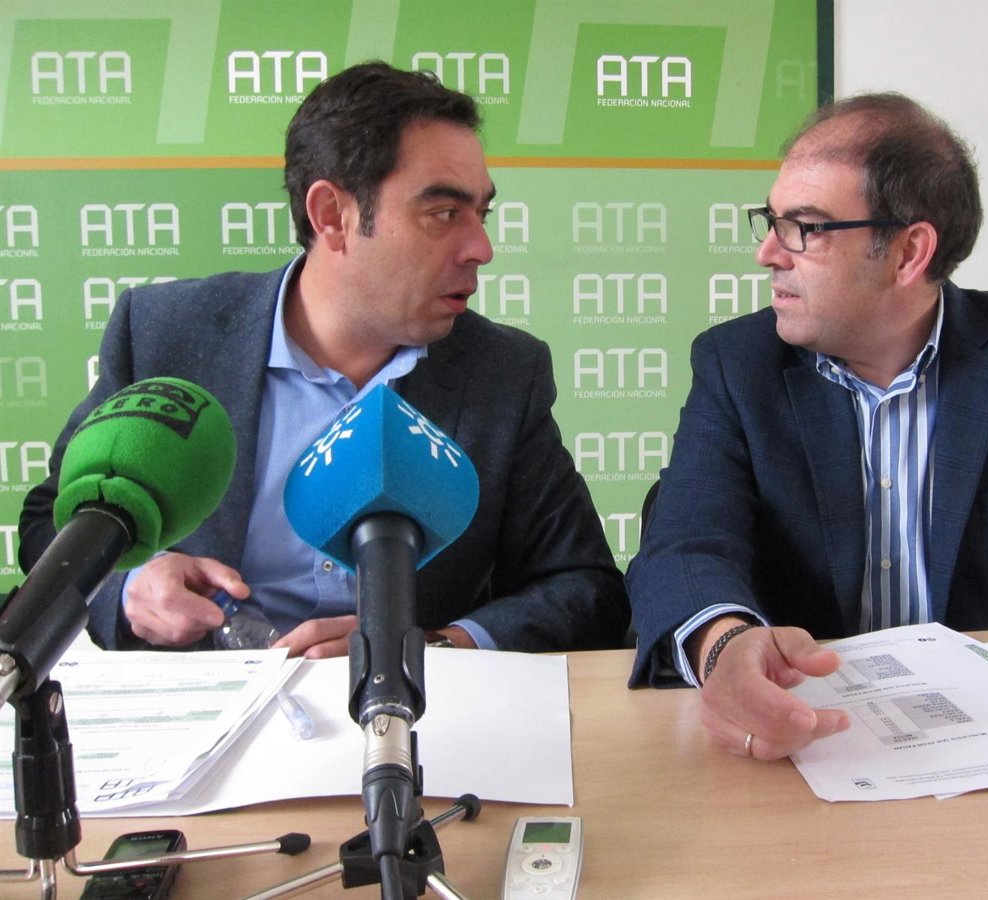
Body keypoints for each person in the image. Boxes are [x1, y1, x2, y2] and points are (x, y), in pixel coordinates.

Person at [625, 91, 988, 761]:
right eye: (771, 220)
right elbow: (686, 542)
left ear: (908, 252)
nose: (768, 253)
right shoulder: (738, 365)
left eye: (804, 227)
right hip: (811, 732)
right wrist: (725, 645)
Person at [19, 62, 628, 657]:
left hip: (408, 707)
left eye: (481, 213)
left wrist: (430, 648)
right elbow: (56, 523)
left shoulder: (504, 371)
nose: (481, 248)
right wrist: (131, 587)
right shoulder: (167, 335)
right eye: (444, 214)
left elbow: (584, 587)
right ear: (332, 215)